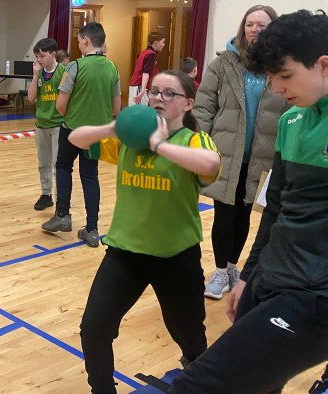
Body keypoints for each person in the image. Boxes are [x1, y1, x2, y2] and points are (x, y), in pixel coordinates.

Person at [168, 10, 328, 393]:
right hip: (270, 278)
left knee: (195, 386)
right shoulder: (291, 122)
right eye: (271, 77)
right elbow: (275, 212)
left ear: (324, 65)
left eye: (285, 75)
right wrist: (249, 278)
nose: (276, 88)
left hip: (316, 296)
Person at [72, 70, 220, 394]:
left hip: (175, 256)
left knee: (190, 337)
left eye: (169, 93)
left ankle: (200, 379)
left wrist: (159, 145)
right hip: (126, 252)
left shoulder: (193, 140)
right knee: (94, 329)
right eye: (154, 92)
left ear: (188, 104)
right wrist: (113, 128)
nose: (158, 98)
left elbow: (210, 165)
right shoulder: (129, 141)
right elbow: (76, 138)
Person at [193, 5, 287, 300]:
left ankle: (234, 266)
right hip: (225, 153)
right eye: (250, 24)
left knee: (244, 214)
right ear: (242, 27)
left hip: (261, 157)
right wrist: (200, 144)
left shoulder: (281, 66)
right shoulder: (223, 63)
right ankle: (220, 271)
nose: (254, 30)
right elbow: (204, 106)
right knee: (224, 213)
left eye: (262, 25)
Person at [42, 22, 121, 247]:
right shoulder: (113, 68)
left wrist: (74, 115)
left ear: (86, 40)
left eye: (78, 41)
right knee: (90, 176)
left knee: (63, 167)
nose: (78, 45)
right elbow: (116, 108)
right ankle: (92, 229)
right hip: (97, 134)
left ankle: (62, 215)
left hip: (72, 130)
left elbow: (60, 106)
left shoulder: (74, 66)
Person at [27, 38, 67, 211]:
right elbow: (31, 98)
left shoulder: (63, 72)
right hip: (41, 124)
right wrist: (35, 76)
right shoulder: (39, 73)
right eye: (36, 56)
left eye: (42, 56)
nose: (39, 60)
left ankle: (61, 198)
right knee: (43, 162)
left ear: (53, 54)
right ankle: (46, 194)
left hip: (58, 124)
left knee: (58, 164)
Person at [128, 31, 165, 105]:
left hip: (136, 86)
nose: (164, 45)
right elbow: (145, 73)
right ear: (156, 43)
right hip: (139, 86)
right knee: (139, 110)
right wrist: (143, 91)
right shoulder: (151, 55)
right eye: (163, 42)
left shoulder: (145, 52)